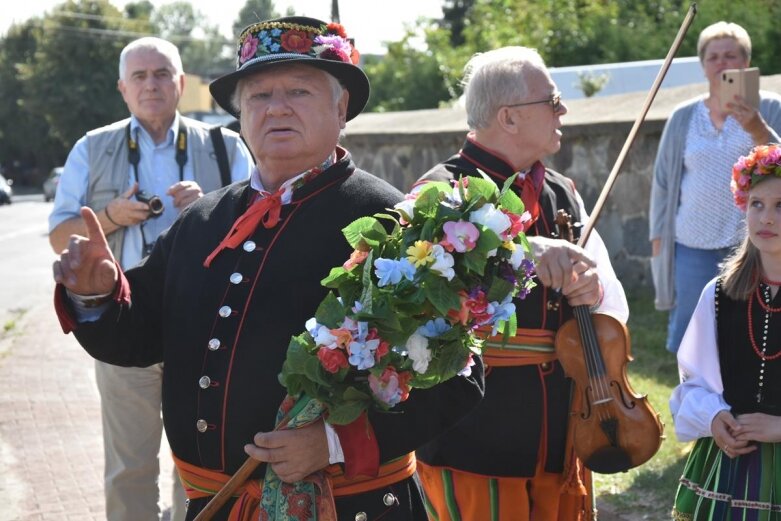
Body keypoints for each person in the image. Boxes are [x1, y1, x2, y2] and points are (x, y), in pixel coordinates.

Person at [52, 17, 484, 521]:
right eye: (257, 96)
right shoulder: (203, 219)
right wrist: (98, 295)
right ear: (240, 116)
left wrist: (332, 443)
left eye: (298, 91)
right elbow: (139, 337)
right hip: (215, 506)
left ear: (341, 107)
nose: (276, 108)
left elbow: (461, 379)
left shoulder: (392, 223)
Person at [413, 46, 629, 521]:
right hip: (475, 433)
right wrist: (524, 250)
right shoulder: (438, 192)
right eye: (551, 101)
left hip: (563, 426)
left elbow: (608, 294)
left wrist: (591, 291)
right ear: (508, 117)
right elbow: (418, 293)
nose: (563, 110)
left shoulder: (562, 191)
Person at [48, 37, 254, 521]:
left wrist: (210, 206)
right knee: (128, 466)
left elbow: (262, 217)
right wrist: (112, 216)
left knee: (204, 465)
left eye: (162, 73)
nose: (151, 85)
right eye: (139, 76)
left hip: (207, 327)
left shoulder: (225, 146)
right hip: (125, 321)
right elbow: (60, 236)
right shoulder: (92, 147)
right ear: (122, 88)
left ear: (182, 83)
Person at [649, 21, 781, 354]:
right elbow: (664, 182)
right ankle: (691, 401)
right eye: (714, 56)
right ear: (703, 65)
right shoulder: (683, 116)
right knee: (691, 331)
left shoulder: (771, 108)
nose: (722, 63)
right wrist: (657, 238)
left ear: (746, 62)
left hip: (753, 241)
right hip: (692, 241)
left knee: (748, 329)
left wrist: (758, 129)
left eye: (731, 55)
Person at [670, 143, 781, 519]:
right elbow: (694, 381)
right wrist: (715, 418)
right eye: (757, 204)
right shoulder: (720, 294)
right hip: (731, 462)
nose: (767, 217)